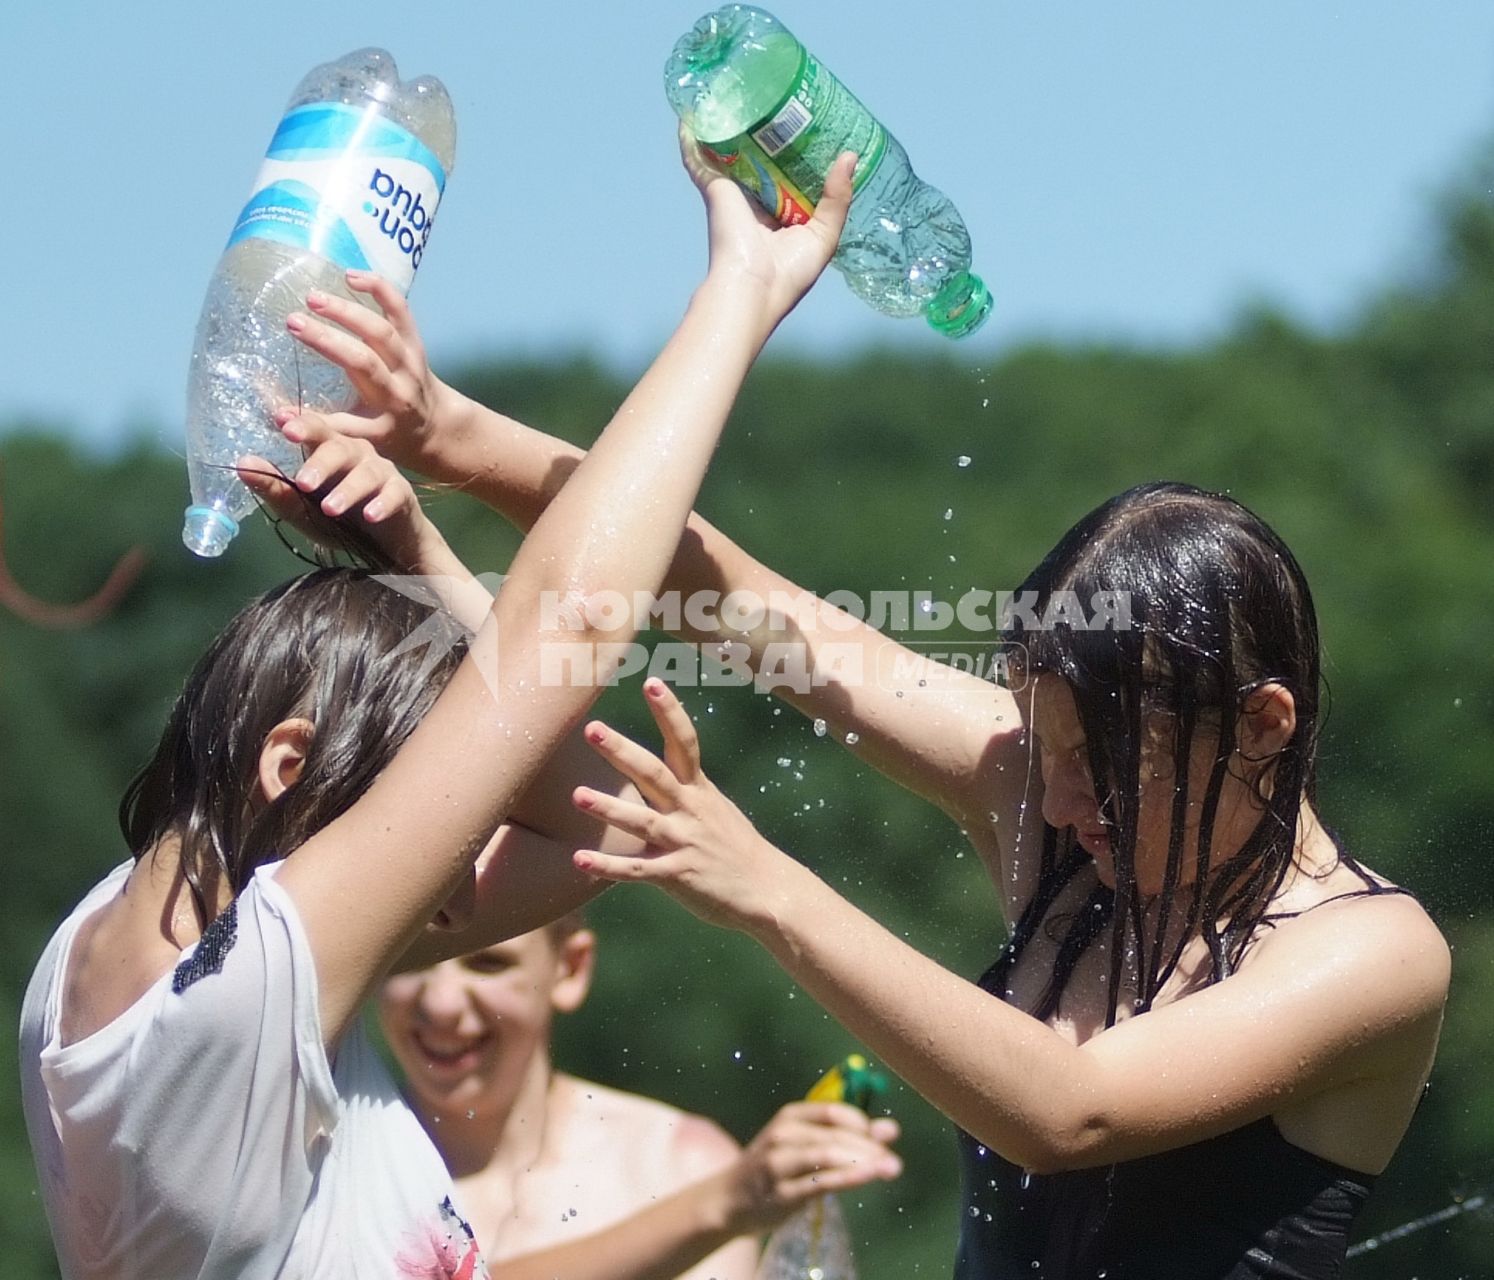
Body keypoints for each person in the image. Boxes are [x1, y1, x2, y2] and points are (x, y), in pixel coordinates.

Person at [284, 170, 1450, 1278]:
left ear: (1261, 722)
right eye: (1045, 755)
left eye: (1104, 769)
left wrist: (768, 885)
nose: (1068, 800)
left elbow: (1068, 1108)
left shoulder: (1367, 953)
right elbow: (742, 602)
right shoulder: (1047, 808)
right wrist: (450, 438)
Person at [18, 150, 859, 1280]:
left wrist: (413, 559)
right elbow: (574, 653)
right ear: (289, 765)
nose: (461, 857)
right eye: (439, 805)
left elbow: (617, 818)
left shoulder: (105, 952)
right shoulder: (255, 993)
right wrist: (739, 293)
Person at [378, 917, 902, 1280]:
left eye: (488, 963)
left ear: (570, 967)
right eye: (411, 955)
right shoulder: (324, 1159)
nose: (441, 1002)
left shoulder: (677, 1164)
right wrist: (722, 1205)